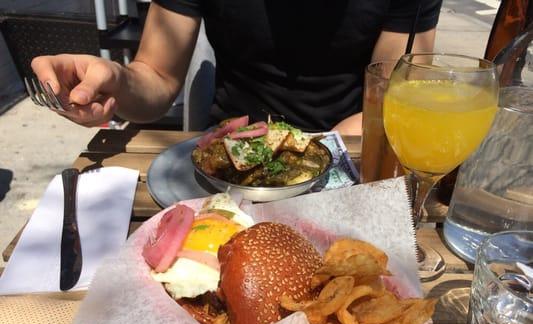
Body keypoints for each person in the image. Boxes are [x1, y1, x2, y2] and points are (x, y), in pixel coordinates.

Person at [31, 0, 442, 135]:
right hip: (226, 156)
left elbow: (392, 98)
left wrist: (319, 157)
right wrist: (116, 82)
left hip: (347, 152)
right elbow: (156, 77)